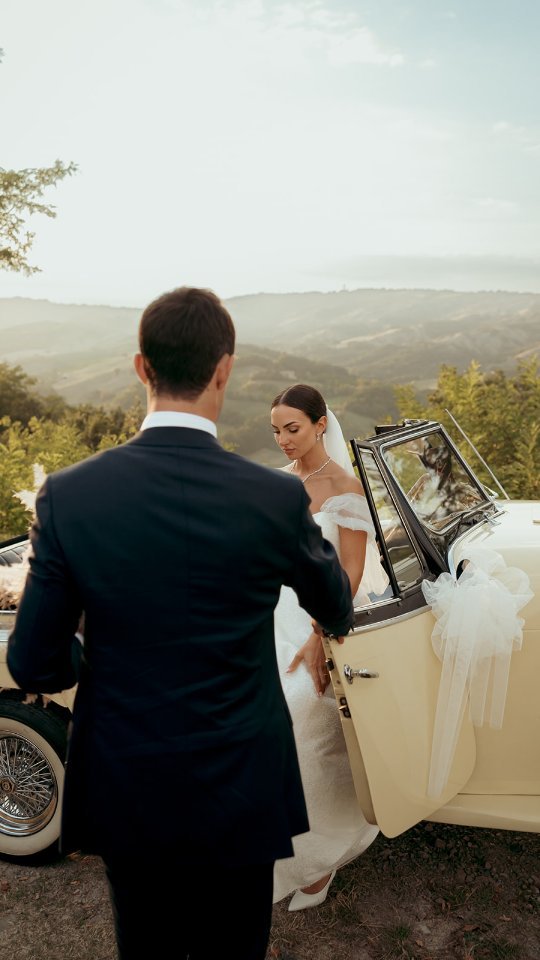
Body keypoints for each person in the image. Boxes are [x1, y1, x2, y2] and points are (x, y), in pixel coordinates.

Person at [7, 289, 355, 960]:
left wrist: (93, 662)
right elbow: (335, 606)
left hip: (129, 779)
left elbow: (34, 663)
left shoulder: (71, 497)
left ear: (142, 368)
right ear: (224, 370)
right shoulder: (276, 497)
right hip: (244, 780)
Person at [270, 383, 390, 911]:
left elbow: (351, 572)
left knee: (300, 716)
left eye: (292, 428)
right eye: (275, 431)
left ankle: (318, 859)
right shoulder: (276, 485)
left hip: (320, 617)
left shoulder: (345, 488)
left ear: (321, 424)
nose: (283, 440)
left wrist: (319, 637)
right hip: (266, 613)